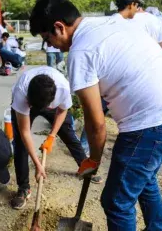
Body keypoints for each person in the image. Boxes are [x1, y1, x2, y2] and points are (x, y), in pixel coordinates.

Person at [30, 0, 162, 231]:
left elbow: (96, 123)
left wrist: (93, 159)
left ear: (59, 27)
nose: (51, 45)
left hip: (148, 124)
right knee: (143, 178)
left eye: (48, 37)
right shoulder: (111, 22)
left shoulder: (80, 52)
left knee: (115, 201)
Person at [10, 66, 102, 210]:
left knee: (67, 132)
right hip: (27, 101)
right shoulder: (21, 92)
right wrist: (37, 163)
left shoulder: (62, 88)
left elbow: (62, 111)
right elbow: (25, 131)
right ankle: (23, 188)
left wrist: (52, 136)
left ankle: (85, 167)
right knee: (20, 144)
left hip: (49, 101)